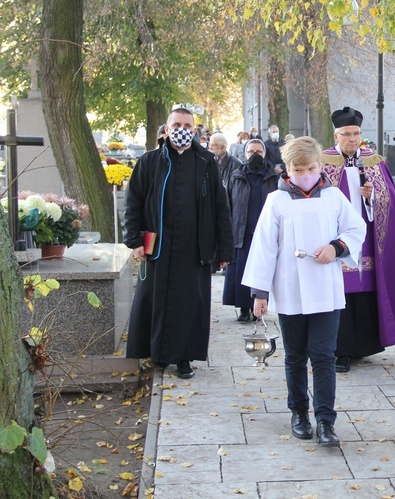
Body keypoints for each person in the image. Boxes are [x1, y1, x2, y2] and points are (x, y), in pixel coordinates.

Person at [242, 136, 366, 447]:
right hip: (290, 288)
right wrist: (260, 293)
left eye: (311, 168)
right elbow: (264, 247)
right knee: (295, 356)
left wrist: (337, 247)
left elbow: (355, 229)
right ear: (286, 169)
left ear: (320, 166)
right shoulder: (277, 201)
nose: (306, 174)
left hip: (325, 288)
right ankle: (299, 412)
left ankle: (325, 419)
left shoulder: (334, 197)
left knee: (323, 356)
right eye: (298, 169)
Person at [124, 105, 234, 379]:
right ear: (166, 129)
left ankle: (185, 358)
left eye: (187, 127)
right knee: (154, 301)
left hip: (193, 247)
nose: (182, 131)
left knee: (190, 304)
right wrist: (134, 239)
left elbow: (221, 207)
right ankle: (157, 354)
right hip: (157, 246)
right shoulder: (149, 161)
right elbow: (133, 202)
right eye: (177, 126)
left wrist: (224, 249)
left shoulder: (207, 162)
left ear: (195, 131)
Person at [321, 107, 395, 373]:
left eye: (356, 134)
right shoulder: (323, 162)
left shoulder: (373, 161)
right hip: (338, 239)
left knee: (365, 287)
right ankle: (340, 350)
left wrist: (372, 196)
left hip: (368, 239)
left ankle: (364, 346)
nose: (353, 139)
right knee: (341, 291)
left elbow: (388, 199)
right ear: (336, 135)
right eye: (347, 134)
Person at [222, 139, 278, 321]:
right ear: (245, 154)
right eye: (251, 151)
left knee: (262, 270)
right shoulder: (236, 176)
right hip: (241, 231)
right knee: (241, 271)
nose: (255, 155)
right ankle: (244, 309)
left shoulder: (274, 177)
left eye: (259, 151)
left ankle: (260, 308)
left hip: (264, 232)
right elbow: (228, 204)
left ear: (265, 153)